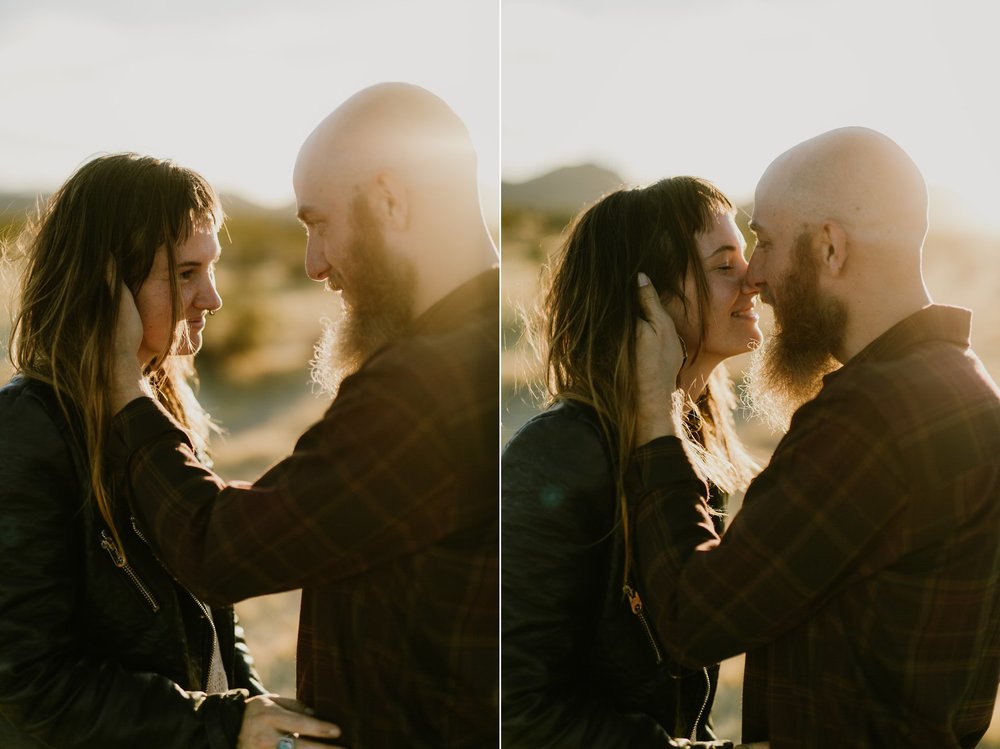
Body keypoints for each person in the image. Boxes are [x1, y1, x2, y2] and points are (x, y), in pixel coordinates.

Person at [107, 83, 499, 748]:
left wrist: (122, 387)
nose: (315, 263)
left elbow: (218, 549)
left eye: (319, 225)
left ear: (389, 201)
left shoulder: (428, 384)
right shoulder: (487, 347)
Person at [629, 127, 1000, 748]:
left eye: (766, 241)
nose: (756, 275)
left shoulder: (875, 416)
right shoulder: (962, 385)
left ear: (829, 247)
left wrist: (651, 419)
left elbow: (690, 620)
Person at [0, 153, 342, 749]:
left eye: (211, 269)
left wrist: (251, 708)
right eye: (186, 273)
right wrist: (220, 725)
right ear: (105, 289)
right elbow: (27, 685)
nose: (212, 298)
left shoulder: (158, 406)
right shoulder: (24, 434)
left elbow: (212, 614)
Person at [502, 177, 762, 747]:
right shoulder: (558, 457)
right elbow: (513, 712)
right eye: (724, 266)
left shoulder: (686, 444)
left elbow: (684, 692)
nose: (754, 281)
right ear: (649, 301)